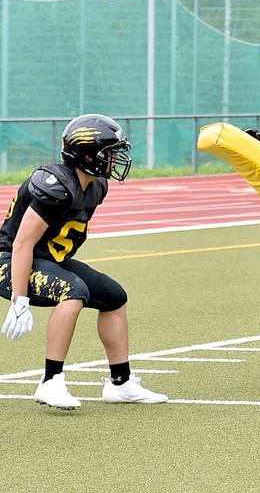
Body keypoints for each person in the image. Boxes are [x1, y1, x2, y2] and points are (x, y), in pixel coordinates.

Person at [0, 114, 167, 409]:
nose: (115, 159)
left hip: (48, 259)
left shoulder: (96, 186)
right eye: (110, 152)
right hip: (10, 260)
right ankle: (51, 381)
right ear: (88, 154)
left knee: (114, 296)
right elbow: (23, 242)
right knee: (73, 291)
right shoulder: (55, 184)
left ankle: (121, 383)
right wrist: (20, 299)